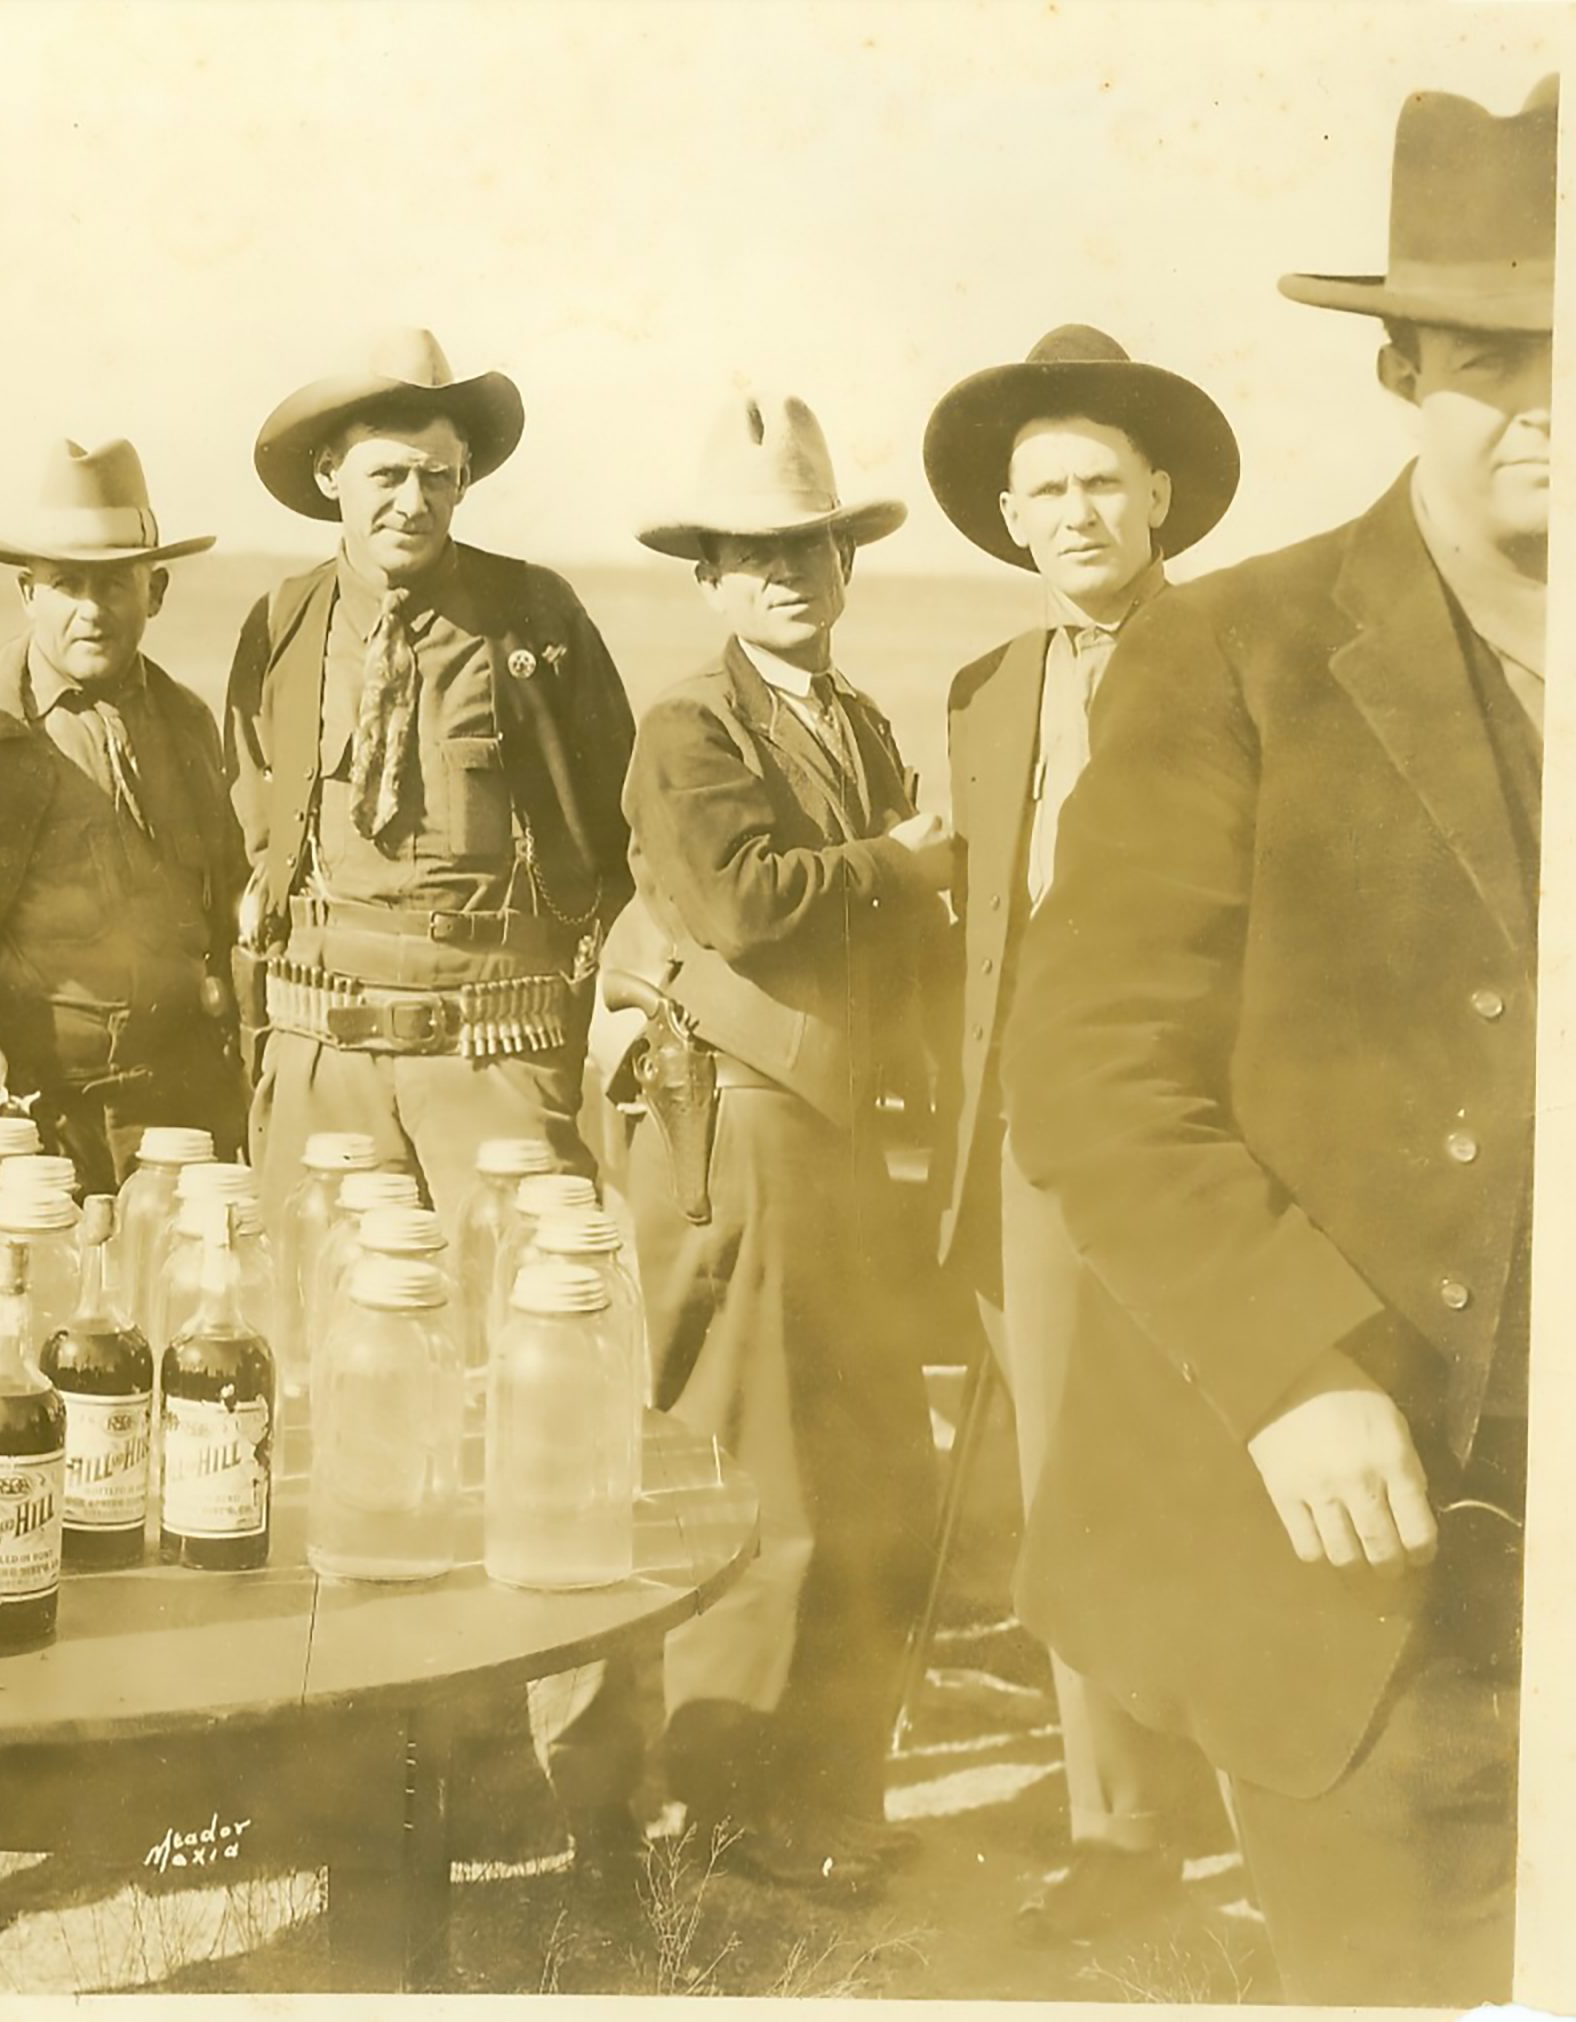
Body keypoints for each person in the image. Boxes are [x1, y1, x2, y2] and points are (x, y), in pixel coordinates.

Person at [1001, 78, 1550, 2004]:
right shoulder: (1237, 648)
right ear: (1403, 365)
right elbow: (1085, 1067)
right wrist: (1289, 1370)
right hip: (1351, 1552)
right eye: (1506, 352)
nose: (1560, 398)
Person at [599, 390, 951, 1892]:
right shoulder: (690, 724)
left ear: (845, 562)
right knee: (768, 1482)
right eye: (751, 555)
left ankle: (825, 1797)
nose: (786, 575)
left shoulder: (852, 720)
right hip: (743, 1125)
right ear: (709, 580)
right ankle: (729, 1815)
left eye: (807, 547)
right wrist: (911, 863)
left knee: (874, 1475)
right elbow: (742, 903)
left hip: (845, 1128)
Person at [919, 325, 1240, 1940]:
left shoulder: (1248, 658)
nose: (1074, 512)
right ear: (1009, 516)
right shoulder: (986, 692)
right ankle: (1120, 1834)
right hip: (1030, 1153)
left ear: (1162, 496)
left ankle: (1273, 1805)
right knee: (1066, 1482)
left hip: (1205, 1143)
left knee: (1235, 1466)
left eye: (1103, 481)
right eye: (1043, 489)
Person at [224, 327, 635, 1234]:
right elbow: (256, 830)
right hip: (324, 1057)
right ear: (331, 473)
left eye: (437, 477)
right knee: (309, 1325)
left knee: (520, 1320)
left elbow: (619, 831)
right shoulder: (281, 627)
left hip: (492, 1053)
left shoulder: (537, 615)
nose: (414, 503)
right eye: (387, 476)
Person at [0, 439, 246, 1235]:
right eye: (67, 585)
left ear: (159, 590)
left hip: (170, 1123)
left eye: (115, 583)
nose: (92, 609)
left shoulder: (189, 726)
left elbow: (224, 913)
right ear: (26, 592)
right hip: (15, 1126)